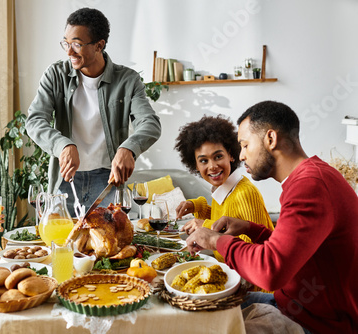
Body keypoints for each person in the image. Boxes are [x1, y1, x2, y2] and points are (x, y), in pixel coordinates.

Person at [186, 101, 358, 334]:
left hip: (314, 323)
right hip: (291, 304)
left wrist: (214, 240)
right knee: (194, 307)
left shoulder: (310, 186)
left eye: (245, 145)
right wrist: (251, 229)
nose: (242, 155)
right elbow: (292, 250)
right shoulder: (311, 176)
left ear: (270, 139)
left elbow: (270, 271)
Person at [25, 7, 161, 216]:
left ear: (99, 46)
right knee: (60, 245)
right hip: (66, 181)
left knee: (108, 245)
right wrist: (63, 145)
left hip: (107, 181)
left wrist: (129, 148)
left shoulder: (127, 80)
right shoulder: (55, 75)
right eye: (66, 43)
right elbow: (35, 120)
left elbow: (149, 123)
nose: (69, 52)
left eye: (77, 44)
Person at [174, 115, 274, 265]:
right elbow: (225, 217)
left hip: (253, 284)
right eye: (203, 161)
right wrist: (198, 206)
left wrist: (206, 226)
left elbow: (252, 250)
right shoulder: (224, 188)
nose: (212, 166)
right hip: (232, 272)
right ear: (195, 165)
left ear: (231, 155)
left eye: (218, 156)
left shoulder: (244, 193)